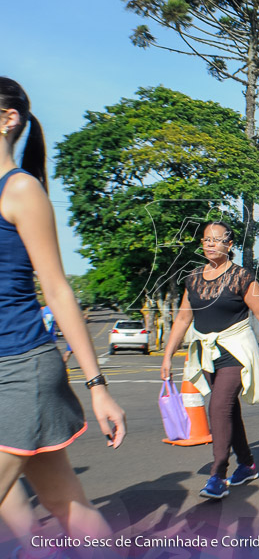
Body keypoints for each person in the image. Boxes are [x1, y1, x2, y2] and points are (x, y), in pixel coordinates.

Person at [0, 77, 126, 546]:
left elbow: (57, 290)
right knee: (66, 503)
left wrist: (98, 387)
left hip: (21, 369)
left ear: (7, 120)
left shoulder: (20, 190)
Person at [160, 221, 259, 499]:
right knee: (228, 409)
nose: (210, 244)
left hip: (235, 352)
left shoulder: (242, 277)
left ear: (230, 245)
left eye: (217, 240)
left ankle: (218, 474)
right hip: (207, 354)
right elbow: (182, 318)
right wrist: (168, 355)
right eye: (206, 240)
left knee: (218, 407)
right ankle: (247, 463)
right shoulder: (192, 278)